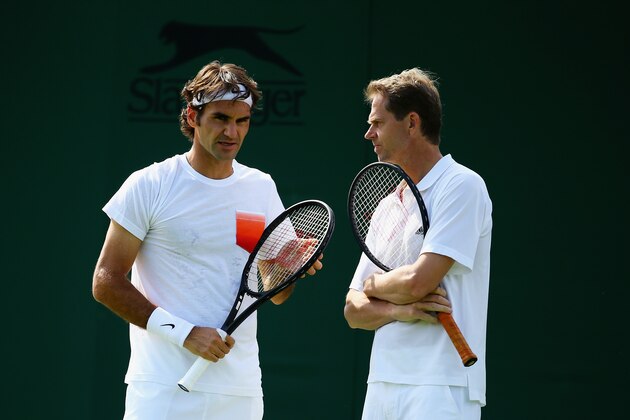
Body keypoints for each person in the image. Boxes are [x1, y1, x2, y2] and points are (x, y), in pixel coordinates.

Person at [92, 60, 323, 420]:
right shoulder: (150, 185)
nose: (232, 131)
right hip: (161, 391)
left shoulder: (259, 189)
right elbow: (106, 282)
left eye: (241, 121)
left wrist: (291, 267)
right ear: (192, 117)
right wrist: (184, 334)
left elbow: (275, 292)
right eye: (220, 118)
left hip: (239, 393)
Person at [344, 68, 492, 420]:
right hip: (382, 382)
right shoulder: (386, 206)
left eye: (378, 123)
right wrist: (399, 310)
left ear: (412, 123)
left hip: (441, 385)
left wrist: (374, 286)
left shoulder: (462, 185)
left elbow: (418, 282)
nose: (369, 134)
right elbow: (352, 311)